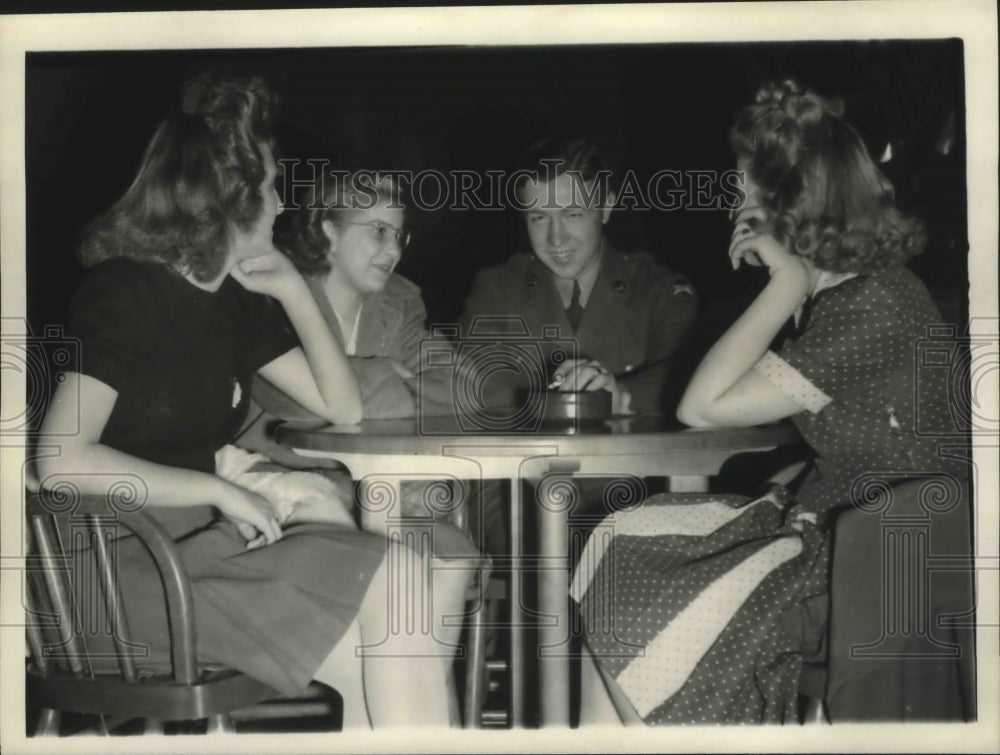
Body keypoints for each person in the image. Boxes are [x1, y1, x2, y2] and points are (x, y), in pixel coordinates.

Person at [33, 71, 471, 728]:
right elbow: (61, 460)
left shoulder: (239, 304)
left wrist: (294, 287)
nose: (277, 203)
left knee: (396, 630)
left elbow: (343, 406)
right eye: (267, 187)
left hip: (202, 555)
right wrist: (219, 491)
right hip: (116, 571)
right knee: (397, 597)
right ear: (228, 197)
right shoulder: (127, 292)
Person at [571, 80, 973, 724]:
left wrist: (785, 278)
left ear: (791, 211)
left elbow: (700, 408)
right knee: (619, 541)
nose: (733, 212)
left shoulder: (870, 306)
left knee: (636, 583)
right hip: (837, 526)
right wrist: (793, 284)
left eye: (742, 196)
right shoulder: (853, 296)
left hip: (884, 562)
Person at [458, 136, 699, 554]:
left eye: (572, 213)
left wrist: (620, 394)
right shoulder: (496, 289)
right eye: (537, 217)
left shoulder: (658, 289)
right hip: (519, 489)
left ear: (605, 207)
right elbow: (477, 384)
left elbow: (690, 375)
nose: (556, 238)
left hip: (631, 488)